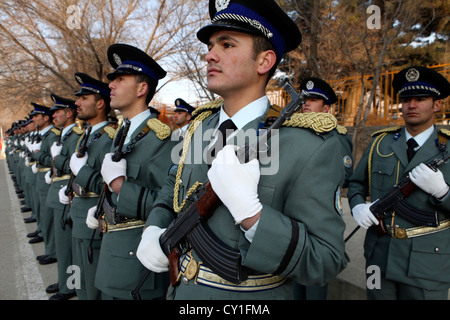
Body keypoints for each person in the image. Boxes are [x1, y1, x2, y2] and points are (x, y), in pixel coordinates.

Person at [137, 0, 347, 300]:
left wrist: (253, 217)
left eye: (227, 44)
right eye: (211, 45)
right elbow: (173, 185)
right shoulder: (199, 128)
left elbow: (326, 260)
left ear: (264, 62)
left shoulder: (306, 144)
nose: (210, 55)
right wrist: (153, 229)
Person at [348, 66, 450, 300]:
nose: (411, 105)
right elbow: (356, 183)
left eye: (421, 99)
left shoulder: (448, 147)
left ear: (437, 105)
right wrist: (357, 206)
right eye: (405, 99)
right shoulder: (379, 144)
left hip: (428, 262)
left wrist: (443, 192)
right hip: (379, 256)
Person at [87, 43, 176, 300]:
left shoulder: (161, 139)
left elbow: (170, 205)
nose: (111, 85)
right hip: (113, 255)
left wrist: (119, 186)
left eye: (120, 79)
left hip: (138, 265)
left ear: (141, 88)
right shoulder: (124, 134)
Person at [294, 77, 354, 300]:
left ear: (327, 108)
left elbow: (345, 175)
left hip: (320, 219)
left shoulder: (336, 136)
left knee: (315, 283)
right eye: (304, 99)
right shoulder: (294, 133)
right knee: (293, 286)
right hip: (293, 216)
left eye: (314, 100)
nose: (306, 103)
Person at [63, 72, 115, 300]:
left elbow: (107, 184)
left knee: (93, 281)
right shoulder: (87, 135)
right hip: (78, 211)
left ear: (101, 103)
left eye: (84, 98)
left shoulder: (109, 138)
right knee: (80, 273)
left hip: (93, 216)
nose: (77, 103)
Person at [44, 93, 81, 300]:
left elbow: (77, 167)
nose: (54, 115)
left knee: (68, 246)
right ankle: (65, 280)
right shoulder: (64, 135)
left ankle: (70, 285)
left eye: (57, 112)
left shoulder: (75, 135)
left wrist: (58, 160)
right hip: (59, 192)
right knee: (62, 244)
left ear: (69, 114)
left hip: (67, 194)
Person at [29, 104, 59, 257]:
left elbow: (53, 160)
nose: (33, 119)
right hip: (41, 178)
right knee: (44, 215)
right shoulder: (44, 135)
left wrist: (37, 154)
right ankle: (49, 248)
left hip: (48, 179)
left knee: (49, 218)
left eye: (36, 116)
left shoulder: (52, 135)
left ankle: (52, 251)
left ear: (45, 118)